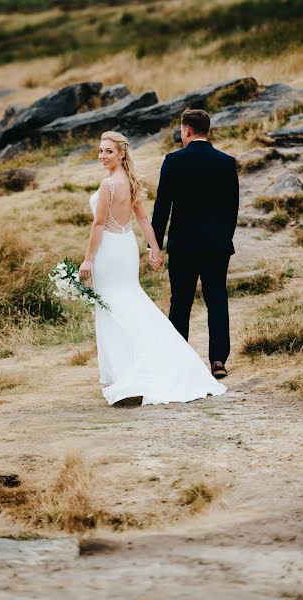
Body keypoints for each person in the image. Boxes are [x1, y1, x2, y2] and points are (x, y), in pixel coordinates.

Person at [79, 130, 226, 406]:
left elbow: (98, 225)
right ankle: (133, 367)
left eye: (108, 151)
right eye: (100, 151)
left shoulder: (108, 185)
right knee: (128, 303)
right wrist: (154, 249)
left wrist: (88, 259)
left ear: (121, 153)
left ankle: (128, 372)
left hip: (110, 250)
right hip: (125, 248)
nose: (102, 156)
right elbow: (144, 221)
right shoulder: (131, 182)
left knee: (114, 308)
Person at [151, 109, 239, 378]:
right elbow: (232, 208)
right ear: (207, 130)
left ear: (186, 130)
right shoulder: (226, 162)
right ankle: (218, 361)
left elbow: (162, 206)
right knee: (217, 300)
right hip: (216, 245)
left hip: (183, 245)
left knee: (180, 302)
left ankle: (180, 360)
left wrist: (154, 246)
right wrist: (225, 237)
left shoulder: (173, 161)